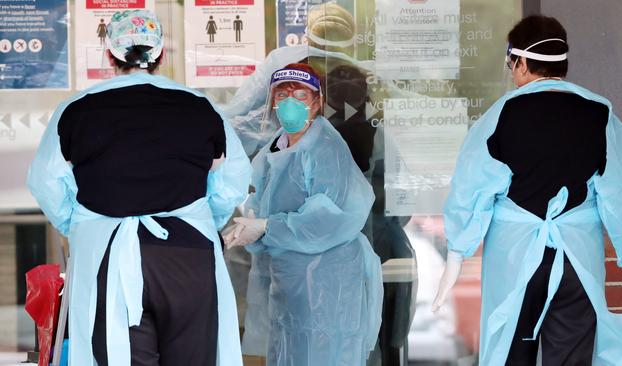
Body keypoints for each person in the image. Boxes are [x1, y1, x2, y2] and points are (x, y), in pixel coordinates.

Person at [27, 9, 251, 366]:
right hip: (189, 253)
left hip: (109, 254)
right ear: (160, 55)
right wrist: (204, 221)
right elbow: (234, 176)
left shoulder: (77, 109)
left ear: (110, 55)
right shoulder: (200, 106)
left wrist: (80, 225)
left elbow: (45, 181)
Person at [432, 15, 622, 365]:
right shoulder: (598, 113)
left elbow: (471, 190)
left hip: (516, 263)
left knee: (511, 354)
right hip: (577, 263)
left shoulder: (501, 114)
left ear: (519, 64)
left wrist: (456, 255)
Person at [223, 63, 383, 365]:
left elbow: (328, 221)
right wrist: (252, 228)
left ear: (317, 101)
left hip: (326, 282)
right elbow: (263, 204)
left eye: (300, 94)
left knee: (321, 354)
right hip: (290, 281)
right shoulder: (277, 146)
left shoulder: (324, 148)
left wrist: (266, 227)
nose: (290, 102)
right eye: (282, 95)